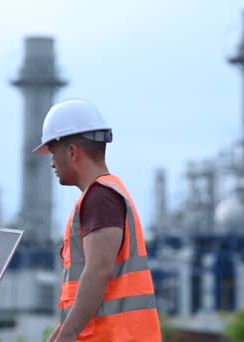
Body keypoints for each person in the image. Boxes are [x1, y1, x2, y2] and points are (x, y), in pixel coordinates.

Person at [34, 98, 161, 341]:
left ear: (72, 152)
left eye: (52, 152)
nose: (51, 163)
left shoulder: (100, 197)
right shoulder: (102, 195)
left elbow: (98, 271)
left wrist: (65, 337)